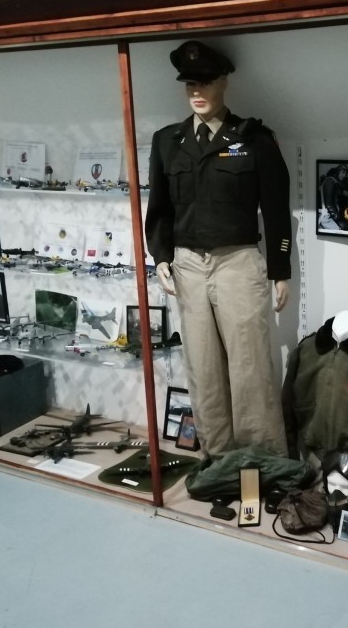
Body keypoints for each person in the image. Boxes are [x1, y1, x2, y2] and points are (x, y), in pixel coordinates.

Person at [145, 40, 292, 457]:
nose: (197, 91)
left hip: (237, 262)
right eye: (190, 83)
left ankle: (262, 461)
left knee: (250, 368)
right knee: (203, 367)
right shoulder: (167, 141)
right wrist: (161, 257)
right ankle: (218, 458)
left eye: (206, 82)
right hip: (188, 265)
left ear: (224, 82)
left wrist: (280, 269)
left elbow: (276, 208)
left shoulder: (254, 139)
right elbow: (159, 208)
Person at [318, 164, 348, 232]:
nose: (344, 175)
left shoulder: (336, 182)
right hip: (325, 216)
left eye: (346, 173)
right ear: (338, 171)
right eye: (343, 172)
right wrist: (336, 217)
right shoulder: (330, 181)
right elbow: (329, 202)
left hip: (329, 215)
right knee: (340, 231)